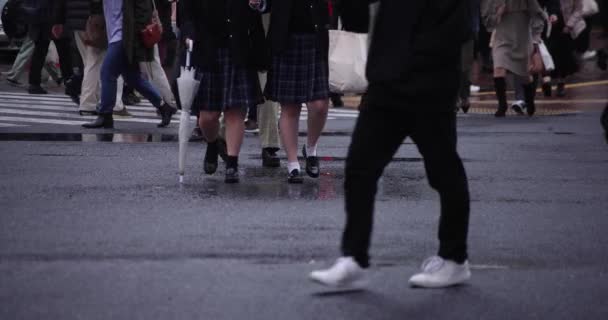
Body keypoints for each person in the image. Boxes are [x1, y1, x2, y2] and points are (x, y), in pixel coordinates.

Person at [310, 0, 473, 289]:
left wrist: (413, 63)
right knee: (360, 168)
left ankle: (454, 259)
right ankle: (354, 258)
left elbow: (457, 29)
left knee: (444, 171)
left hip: (429, 87)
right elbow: (363, 15)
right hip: (386, 86)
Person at [182, 0, 266, 183]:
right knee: (207, 117)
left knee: (235, 111)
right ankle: (213, 143)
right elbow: (186, 11)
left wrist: (257, 4)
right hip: (207, 49)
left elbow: (263, 5)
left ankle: (232, 164)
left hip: (240, 46)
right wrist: (189, 34)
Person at [261, 0, 331, 183]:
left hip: (316, 38)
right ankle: (293, 164)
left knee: (320, 105)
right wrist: (258, 3)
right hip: (285, 40)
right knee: (290, 107)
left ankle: (311, 149)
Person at [82, 0, 176, 129]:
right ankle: (164, 107)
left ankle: (105, 114)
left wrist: (135, 38)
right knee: (133, 78)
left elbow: (144, 11)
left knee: (107, 73)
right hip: (117, 36)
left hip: (123, 38)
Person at [52, 0, 129, 116]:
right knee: (101, 61)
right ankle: (104, 103)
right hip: (97, 20)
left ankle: (89, 103)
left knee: (90, 62)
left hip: (77, 20)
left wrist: (59, 20)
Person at [483, 0, 546, 117]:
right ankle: (502, 105)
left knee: (525, 75)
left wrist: (536, 38)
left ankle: (529, 100)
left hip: (522, 38)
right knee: (498, 68)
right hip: (502, 38)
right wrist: (498, 14)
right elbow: (487, 22)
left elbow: (538, 16)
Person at [23, 0, 75, 96]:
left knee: (39, 53)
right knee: (65, 54)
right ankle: (70, 84)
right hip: (53, 18)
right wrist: (60, 20)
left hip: (39, 19)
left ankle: (34, 84)